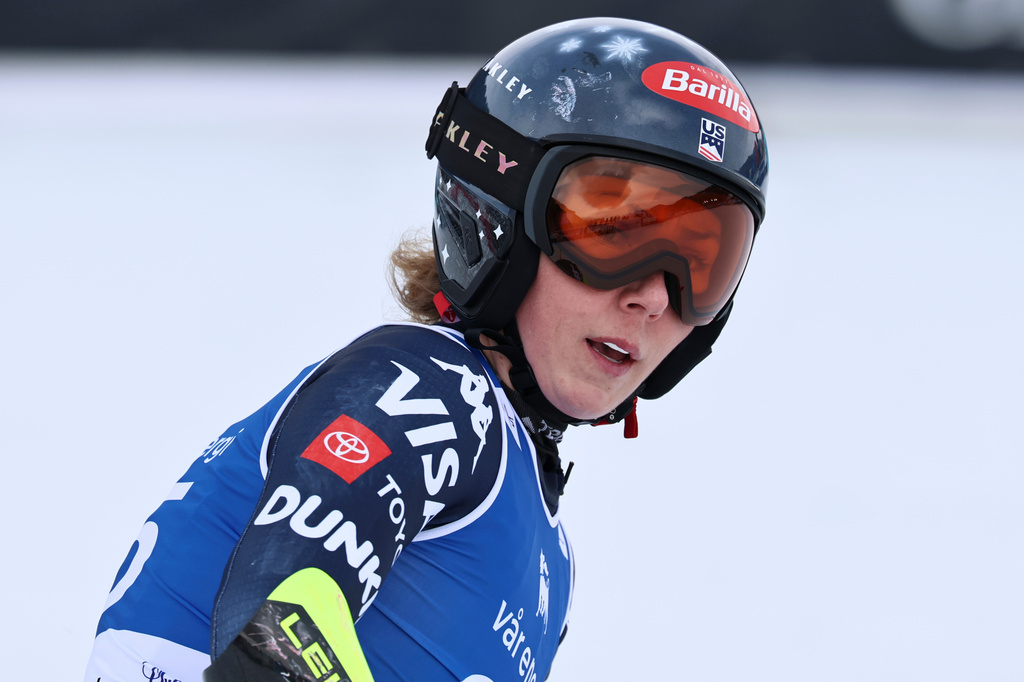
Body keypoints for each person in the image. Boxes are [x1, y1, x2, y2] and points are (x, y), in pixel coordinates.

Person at [84, 16, 768, 682]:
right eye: (612, 234)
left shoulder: (547, 553)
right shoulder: (431, 389)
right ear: (499, 219)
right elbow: (276, 633)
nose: (653, 295)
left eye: (701, 264)